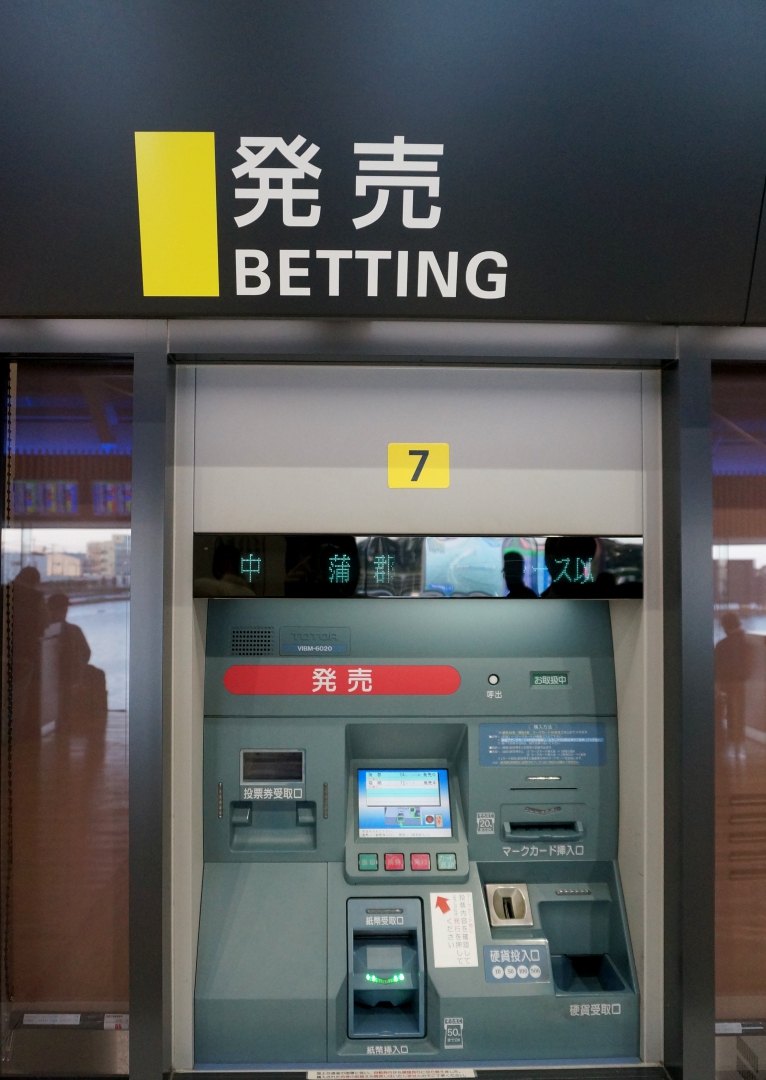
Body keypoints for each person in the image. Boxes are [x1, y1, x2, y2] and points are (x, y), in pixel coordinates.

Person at [715, 611, 757, 744]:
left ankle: (728, 737)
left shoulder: (722, 645)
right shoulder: (746, 644)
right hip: (741, 682)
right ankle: (738, 737)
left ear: (726, 626)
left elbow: (716, 667)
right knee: (738, 711)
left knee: (725, 708)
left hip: (726, 683)